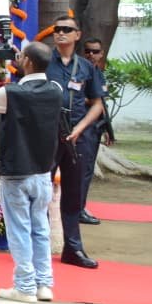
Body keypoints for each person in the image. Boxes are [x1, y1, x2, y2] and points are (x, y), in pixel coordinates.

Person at [0, 41, 62, 303]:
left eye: (21, 56)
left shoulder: (12, 93)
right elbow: (32, 74)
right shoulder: (56, 89)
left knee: (19, 230)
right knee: (39, 229)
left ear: (27, 63)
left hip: (16, 172)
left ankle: (24, 286)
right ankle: (44, 285)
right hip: (42, 172)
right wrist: (19, 58)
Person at [46, 14, 105, 269]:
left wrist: (80, 128)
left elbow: (98, 105)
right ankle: (33, 245)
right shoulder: (44, 61)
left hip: (76, 135)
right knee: (38, 189)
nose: (61, 33)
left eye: (67, 30)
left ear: (77, 35)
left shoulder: (86, 67)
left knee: (73, 193)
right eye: (57, 29)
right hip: (48, 133)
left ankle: (73, 248)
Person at [78, 37, 114, 225]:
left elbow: (102, 104)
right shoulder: (80, 71)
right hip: (83, 127)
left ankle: (80, 206)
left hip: (96, 127)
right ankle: (78, 209)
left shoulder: (98, 72)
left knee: (87, 170)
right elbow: (77, 97)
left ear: (101, 54)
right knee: (82, 171)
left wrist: (109, 130)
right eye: (88, 51)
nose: (91, 54)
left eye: (95, 51)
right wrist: (91, 100)